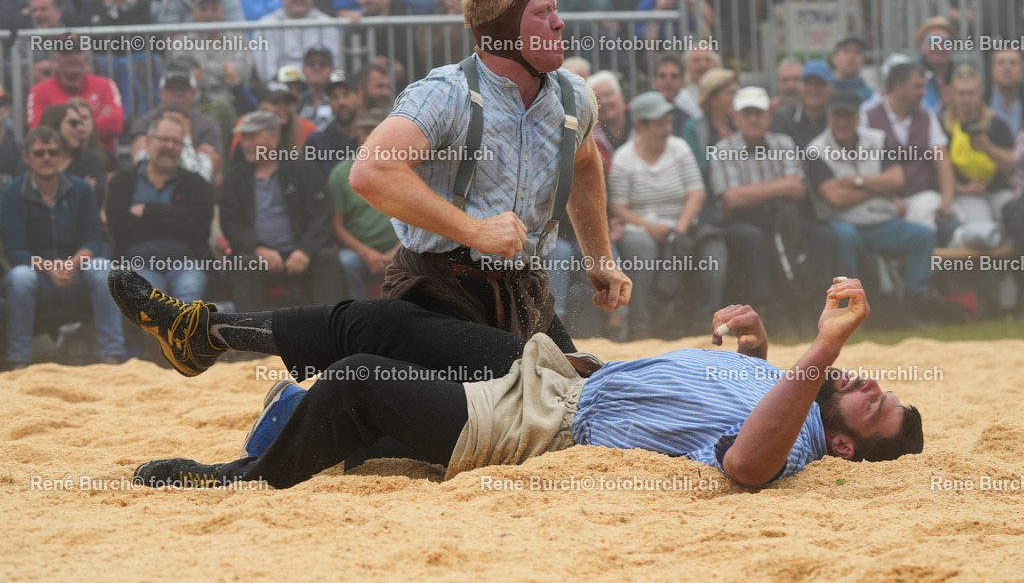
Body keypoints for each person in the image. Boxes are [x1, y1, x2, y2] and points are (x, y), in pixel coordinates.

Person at [109, 268, 923, 490]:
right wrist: (752, 347)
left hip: (547, 425)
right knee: (376, 322)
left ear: (847, 447)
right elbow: (722, 395)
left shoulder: (796, 444)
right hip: (561, 372)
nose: (873, 385)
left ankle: (242, 478)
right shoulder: (785, 388)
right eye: (878, 384)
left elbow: (746, 462)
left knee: (357, 379)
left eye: (876, 408)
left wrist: (818, 348)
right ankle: (206, 332)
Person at [349, 0, 630, 351]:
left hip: (523, 289)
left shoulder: (574, 97)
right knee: (471, 404)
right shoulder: (445, 92)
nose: (559, 23)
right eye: (542, 13)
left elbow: (583, 164)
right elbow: (372, 172)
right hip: (436, 289)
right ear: (504, 31)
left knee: (570, 400)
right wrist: (475, 231)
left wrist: (599, 258)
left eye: (555, 10)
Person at [804, 91, 936, 319]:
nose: (843, 122)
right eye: (838, 116)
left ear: (858, 118)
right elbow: (834, 199)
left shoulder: (878, 138)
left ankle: (915, 303)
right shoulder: (815, 150)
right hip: (843, 222)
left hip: (882, 222)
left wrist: (857, 182)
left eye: (848, 116)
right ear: (829, 117)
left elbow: (897, 180)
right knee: (846, 237)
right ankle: (848, 311)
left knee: (923, 236)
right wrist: (880, 189)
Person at [1, 127, 126, 368]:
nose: (46, 158)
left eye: (52, 152)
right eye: (39, 153)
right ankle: (19, 358)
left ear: (59, 156)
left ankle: (113, 354)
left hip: (76, 269)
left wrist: (70, 265)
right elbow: (15, 250)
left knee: (104, 268)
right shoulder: (11, 194)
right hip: (36, 273)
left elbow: (93, 240)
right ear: (27, 157)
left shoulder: (80, 189)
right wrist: (50, 268)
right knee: (20, 277)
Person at [609, 91, 726, 339]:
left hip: (682, 224)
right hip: (640, 228)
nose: (666, 129)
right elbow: (618, 207)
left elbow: (697, 193)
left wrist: (679, 231)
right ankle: (640, 325)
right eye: (659, 124)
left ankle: (706, 324)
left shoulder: (680, 147)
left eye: (668, 122)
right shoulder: (624, 158)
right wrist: (649, 226)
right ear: (640, 126)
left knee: (714, 249)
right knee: (643, 248)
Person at [106, 114, 214, 359]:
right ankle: (164, 358)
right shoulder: (124, 181)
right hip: (138, 264)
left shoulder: (195, 183)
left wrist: (148, 211)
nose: (169, 146)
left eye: (176, 142)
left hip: (185, 264)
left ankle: (175, 360)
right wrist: (175, 220)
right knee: (149, 304)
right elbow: (119, 226)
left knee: (189, 297)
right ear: (147, 142)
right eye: (163, 139)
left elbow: (199, 226)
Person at [219, 111, 343, 312]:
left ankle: (330, 331)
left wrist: (305, 251)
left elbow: (321, 214)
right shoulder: (235, 177)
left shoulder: (301, 168)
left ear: (274, 136)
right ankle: (248, 336)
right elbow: (230, 222)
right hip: (256, 256)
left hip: (301, 254)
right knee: (244, 264)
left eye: (253, 137)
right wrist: (258, 249)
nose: (246, 144)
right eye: (244, 138)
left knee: (327, 258)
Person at [709, 86, 807, 319]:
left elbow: (798, 189)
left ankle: (800, 300)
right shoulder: (722, 150)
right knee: (753, 237)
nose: (753, 119)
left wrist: (752, 192)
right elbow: (731, 199)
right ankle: (770, 306)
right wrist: (780, 186)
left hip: (781, 215)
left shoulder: (784, 142)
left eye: (758, 113)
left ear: (768, 116)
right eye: (747, 114)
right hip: (741, 220)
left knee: (798, 226)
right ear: (736, 118)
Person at [862, 62, 955, 232]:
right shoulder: (867, 117)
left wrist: (947, 201)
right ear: (898, 87)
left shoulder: (928, 117)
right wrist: (891, 198)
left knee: (932, 212)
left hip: (921, 196)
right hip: (881, 198)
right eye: (917, 87)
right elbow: (864, 168)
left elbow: (942, 161)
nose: (923, 93)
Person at [330, 110, 401, 301]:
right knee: (347, 261)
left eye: (372, 132)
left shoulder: (406, 170)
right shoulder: (340, 173)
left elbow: (419, 221)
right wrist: (365, 253)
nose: (365, 138)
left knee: (415, 255)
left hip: (399, 247)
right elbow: (337, 226)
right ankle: (358, 313)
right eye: (362, 132)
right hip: (356, 251)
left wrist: (397, 250)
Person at [944, 65, 1016, 236]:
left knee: (1014, 218)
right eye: (961, 94)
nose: (966, 99)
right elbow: (936, 169)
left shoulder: (997, 123)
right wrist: (963, 189)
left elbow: (1013, 166)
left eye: (971, 93)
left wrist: (989, 148)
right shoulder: (942, 126)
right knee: (983, 231)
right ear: (953, 95)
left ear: (980, 94)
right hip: (964, 193)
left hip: (998, 189)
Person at [26, 33, 125, 156]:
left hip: (102, 161)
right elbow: (38, 130)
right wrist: (93, 121)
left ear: (85, 56)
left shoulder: (105, 85)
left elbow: (115, 124)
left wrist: (62, 125)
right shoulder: (39, 91)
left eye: (77, 52)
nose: (73, 57)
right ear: (56, 59)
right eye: (67, 53)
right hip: (58, 163)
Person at [254, 0, 339, 83]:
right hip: (281, 90)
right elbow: (266, 72)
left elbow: (334, 66)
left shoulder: (327, 24)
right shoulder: (265, 26)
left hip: (318, 86)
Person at [39, 102, 108, 209]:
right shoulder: (33, 160)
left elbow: (92, 201)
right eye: (73, 123)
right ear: (55, 123)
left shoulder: (89, 159)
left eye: (80, 123)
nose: (80, 128)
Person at [304, 70, 361, 177]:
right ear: (329, 102)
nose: (341, 102)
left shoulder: (372, 139)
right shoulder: (316, 144)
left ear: (358, 97)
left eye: (346, 94)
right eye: (335, 97)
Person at [682, 67, 737, 175]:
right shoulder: (693, 129)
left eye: (735, 92)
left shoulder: (741, 126)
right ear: (712, 98)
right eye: (729, 93)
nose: (735, 98)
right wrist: (720, 152)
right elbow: (695, 168)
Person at [771, 59, 834, 150]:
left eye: (820, 84)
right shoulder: (782, 117)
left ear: (831, 88)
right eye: (808, 84)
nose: (813, 90)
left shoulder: (838, 118)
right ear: (800, 86)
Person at [586, 70, 631, 172]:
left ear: (621, 95)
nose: (603, 101)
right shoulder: (589, 136)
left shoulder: (642, 123)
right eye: (597, 98)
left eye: (607, 94)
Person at [831, 34, 880, 108]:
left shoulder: (871, 97)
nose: (852, 56)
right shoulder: (824, 92)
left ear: (863, 61)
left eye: (858, 52)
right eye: (846, 51)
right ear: (834, 59)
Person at [988, 47, 1024, 139]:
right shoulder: (981, 103)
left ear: (1022, 71)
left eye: (1013, 63)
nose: (1007, 68)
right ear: (992, 71)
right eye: (1001, 63)